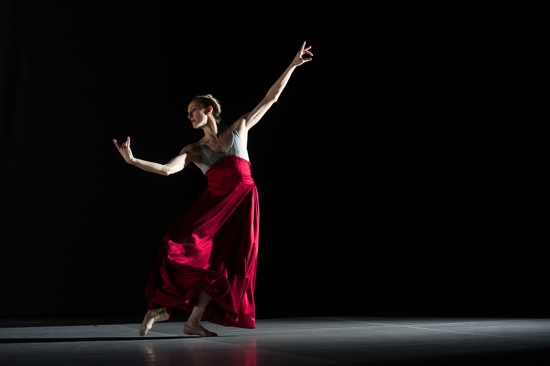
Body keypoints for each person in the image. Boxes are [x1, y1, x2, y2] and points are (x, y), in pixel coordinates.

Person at [112, 41, 313, 337]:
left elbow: (270, 99)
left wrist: (293, 65)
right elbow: (168, 169)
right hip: (215, 209)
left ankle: (192, 322)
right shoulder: (194, 149)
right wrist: (132, 161)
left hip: (244, 204)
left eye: (193, 111)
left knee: (228, 265)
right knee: (182, 249)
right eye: (188, 113)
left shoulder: (238, 129)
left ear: (208, 111)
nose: (189, 116)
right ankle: (162, 305)